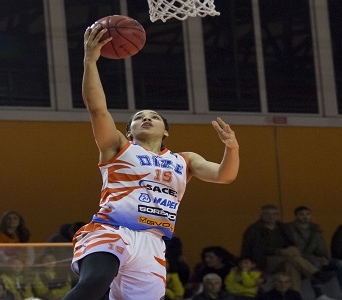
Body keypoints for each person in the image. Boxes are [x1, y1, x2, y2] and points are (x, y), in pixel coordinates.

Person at [61, 22, 239, 300]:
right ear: (129, 130)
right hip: (112, 230)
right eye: (139, 117)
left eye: (154, 117)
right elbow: (97, 109)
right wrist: (90, 60)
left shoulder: (185, 160)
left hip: (153, 242)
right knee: (93, 284)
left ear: (165, 130)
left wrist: (232, 148)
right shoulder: (118, 146)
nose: (146, 118)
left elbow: (225, 176)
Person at [240, 205, 332, 292]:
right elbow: (258, 249)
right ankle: (315, 274)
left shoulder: (282, 227)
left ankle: (294, 294)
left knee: (291, 265)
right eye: (268, 214)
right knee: (289, 258)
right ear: (261, 215)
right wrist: (281, 251)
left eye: (275, 214)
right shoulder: (254, 230)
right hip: (263, 260)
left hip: (283, 259)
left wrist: (292, 249)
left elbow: (289, 242)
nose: (271, 217)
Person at [288, 206, 342, 300]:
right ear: (296, 216)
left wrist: (325, 257)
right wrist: (316, 258)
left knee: (341, 264)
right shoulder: (290, 230)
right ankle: (319, 294)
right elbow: (297, 250)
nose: (305, 217)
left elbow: (322, 247)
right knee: (315, 264)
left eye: (307, 214)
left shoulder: (316, 229)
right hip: (302, 259)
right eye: (301, 214)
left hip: (317, 257)